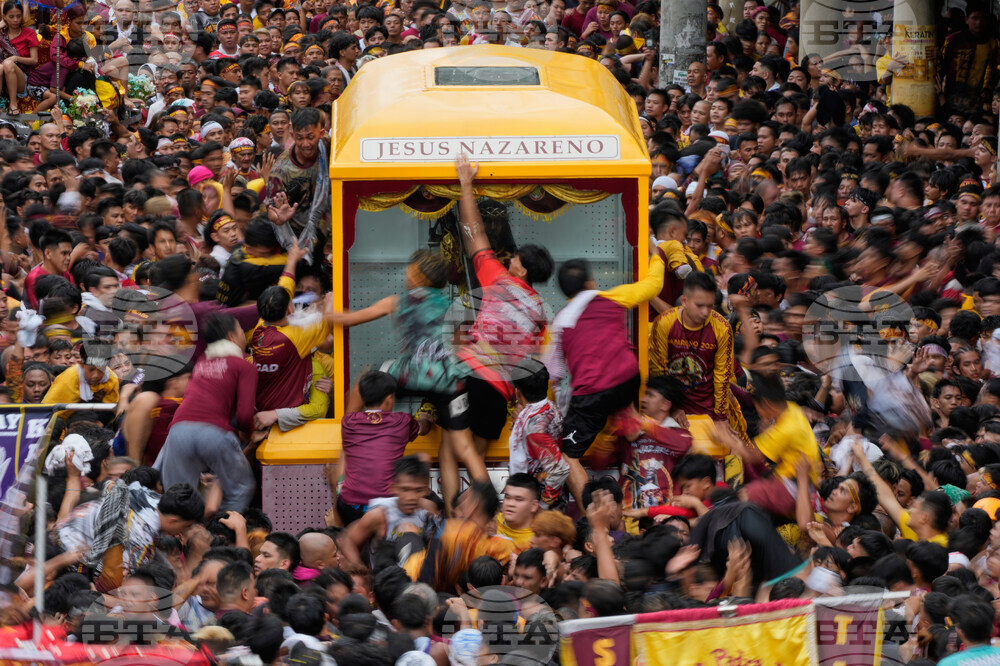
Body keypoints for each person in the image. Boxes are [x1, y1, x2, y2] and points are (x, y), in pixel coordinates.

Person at [543, 247, 664, 508]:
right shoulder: (611, 297)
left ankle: (592, 514)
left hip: (593, 392)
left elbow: (553, 373)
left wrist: (551, 409)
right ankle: (627, 418)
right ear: (591, 282)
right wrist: (656, 255)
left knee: (567, 457)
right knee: (615, 397)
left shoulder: (561, 322)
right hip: (628, 379)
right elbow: (653, 285)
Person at [154, 313, 258, 512]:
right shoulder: (244, 366)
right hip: (213, 432)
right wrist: (248, 434)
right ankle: (223, 528)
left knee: (179, 498)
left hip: (178, 431)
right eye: (240, 330)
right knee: (240, 489)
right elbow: (245, 416)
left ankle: (185, 532)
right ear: (231, 337)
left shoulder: (201, 362)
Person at [332, 371, 432, 525]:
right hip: (384, 506)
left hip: (350, 506)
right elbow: (422, 428)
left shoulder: (348, 422)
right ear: (389, 398)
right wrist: (426, 416)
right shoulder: (402, 421)